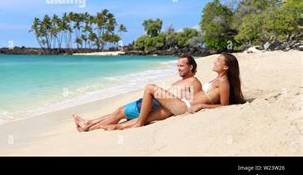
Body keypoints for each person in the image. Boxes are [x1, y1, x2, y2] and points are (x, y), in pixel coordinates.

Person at [103, 53, 246, 130]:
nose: (214, 62)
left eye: (218, 61)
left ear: (226, 67)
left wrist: (202, 106)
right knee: (148, 117)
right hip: (182, 103)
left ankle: (138, 124)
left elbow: (225, 106)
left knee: (150, 88)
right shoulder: (217, 78)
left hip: (185, 107)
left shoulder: (223, 81)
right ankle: (117, 127)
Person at [72, 55, 202, 132]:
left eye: (181, 66)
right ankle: (88, 124)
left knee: (119, 113)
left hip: (153, 105)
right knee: (119, 112)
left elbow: (196, 101)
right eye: (177, 66)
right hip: (151, 103)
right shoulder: (182, 81)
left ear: (190, 67)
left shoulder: (194, 81)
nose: (178, 69)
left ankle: (88, 126)